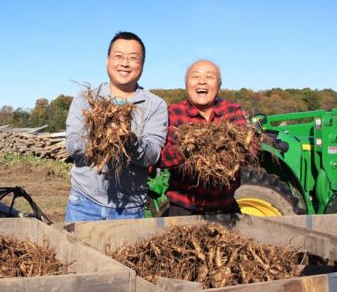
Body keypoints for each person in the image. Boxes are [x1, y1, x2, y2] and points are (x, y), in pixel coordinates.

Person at [64, 31, 168, 221]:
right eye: (118, 56)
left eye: (133, 58)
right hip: (83, 204)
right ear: (108, 61)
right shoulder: (85, 99)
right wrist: (100, 135)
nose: (125, 63)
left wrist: (129, 141)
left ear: (142, 65)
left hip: (130, 208)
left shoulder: (155, 105)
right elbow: (72, 145)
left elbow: (152, 154)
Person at [160, 59, 248, 216]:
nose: (202, 81)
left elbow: (250, 150)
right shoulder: (174, 113)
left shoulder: (232, 111)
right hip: (184, 208)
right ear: (186, 84)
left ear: (219, 84)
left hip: (225, 208)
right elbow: (161, 158)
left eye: (209, 77)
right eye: (195, 76)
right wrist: (186, 150)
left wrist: (227, 152)